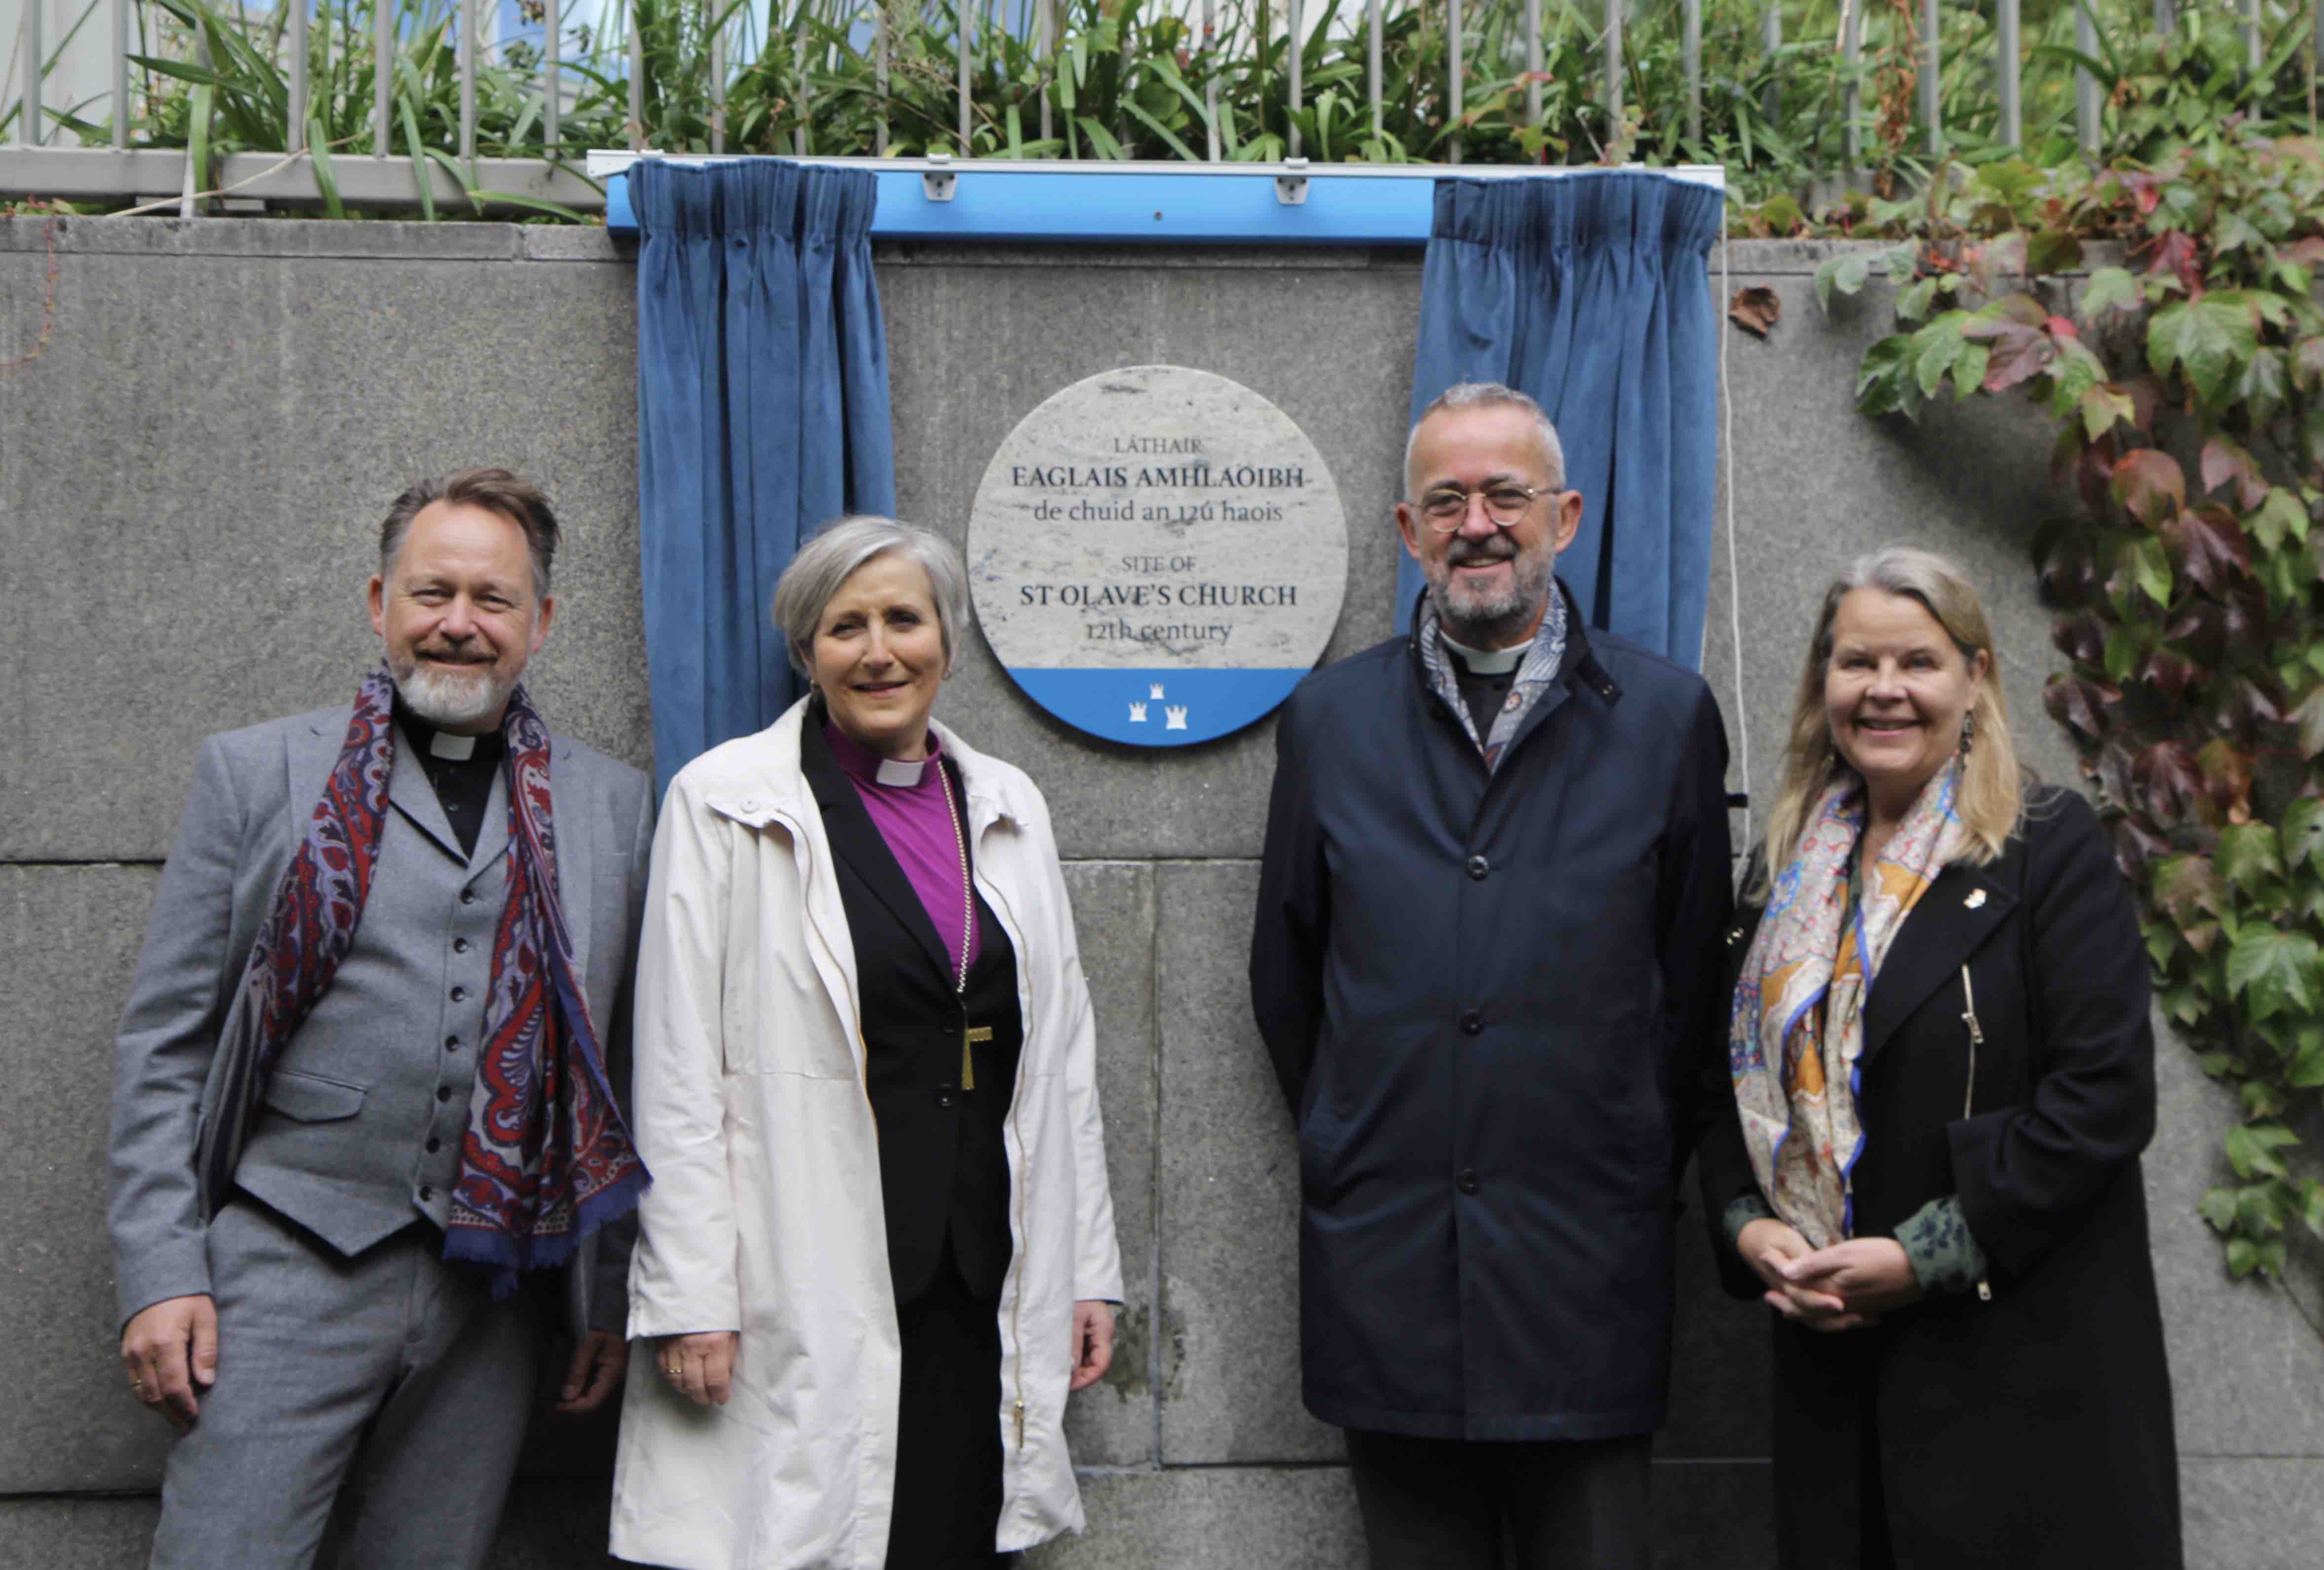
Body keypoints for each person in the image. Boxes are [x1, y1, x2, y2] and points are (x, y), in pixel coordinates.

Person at [108, 468, 654, 1570]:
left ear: (540, 622)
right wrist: (162, 1270)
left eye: (493, 600)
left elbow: (625, 1065)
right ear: (379, 603)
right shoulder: (257, 773)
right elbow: (165, 1045)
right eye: (431, 592)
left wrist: (606, 1291)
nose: (459, 624)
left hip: (497, 1293)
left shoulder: (615, 804)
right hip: (283, 1256)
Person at [1249, 382, 1734, 1569]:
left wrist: (1613, 1137)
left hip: (1587, 1266)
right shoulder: (1330, 719)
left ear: (1563, 515)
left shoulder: (1665, 718)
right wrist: (1362, 1125)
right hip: (1390, 1260)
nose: (1478, 522)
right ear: (1408, 533)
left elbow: (1690, 991)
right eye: (1446, 499)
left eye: (1505, 494)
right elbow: (1287, 973)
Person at [610, 516, 1122, 1570]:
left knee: (952, 1534)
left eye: (904, 618)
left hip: (978, 1273)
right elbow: (673, 1069)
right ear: (806, 653)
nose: (879, 649)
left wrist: (1086, 1270)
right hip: (804, 1265)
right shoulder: (724, 803)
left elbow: (1063, 1059)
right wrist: (688, 1294)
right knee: (807, 1538)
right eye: (846, 626)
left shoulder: (1010, 804)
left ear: (946, 636)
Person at [1697, 546, 2181, 1568]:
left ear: (1975, 678)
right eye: (1855, 662)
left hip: (2019, 1387)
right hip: (1831, 1384)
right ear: (1821, 683)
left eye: (1916, 661)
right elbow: (1723, 1078)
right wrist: (1748, 1227)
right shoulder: (1783, 867)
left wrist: (1925, 1253)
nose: (1883, 690)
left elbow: (2103, 1098)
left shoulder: (2045, 847)